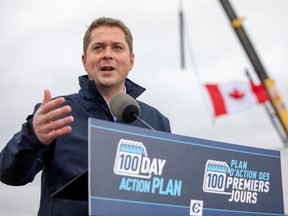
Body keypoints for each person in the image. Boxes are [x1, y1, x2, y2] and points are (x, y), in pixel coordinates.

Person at [0, 17, 171, 216]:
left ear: (131, 60)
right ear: (85, 61)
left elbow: (167, 194)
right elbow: (9, 174)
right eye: (98, 48)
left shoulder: (156, 122)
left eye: (117, 47)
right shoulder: (54, 114)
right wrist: (32, 136)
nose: (107, 55)